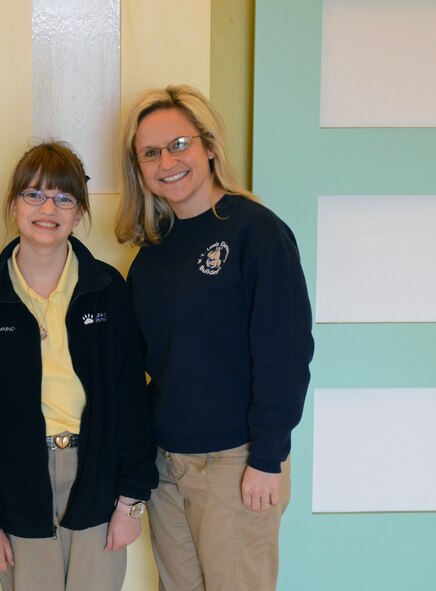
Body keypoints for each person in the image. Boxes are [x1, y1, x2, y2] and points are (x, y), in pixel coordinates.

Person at [115, 85, 314, 591]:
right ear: (138, 168)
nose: (167, 162)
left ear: (207, 145)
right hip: (166, 467)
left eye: (179, 144)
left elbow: (285, 355)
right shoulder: (151, 257)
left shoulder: (257, 234)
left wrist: (267, 458)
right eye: (150, 153)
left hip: (237, 465)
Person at [0, 142, 157, 591]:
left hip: (97, 476)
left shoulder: (107, 290)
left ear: (79, 211)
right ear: (13, 204)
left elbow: (131, 400)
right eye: (34, 194)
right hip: (17, 485)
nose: (49, 208)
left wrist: (132, 501)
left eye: (64, 197)